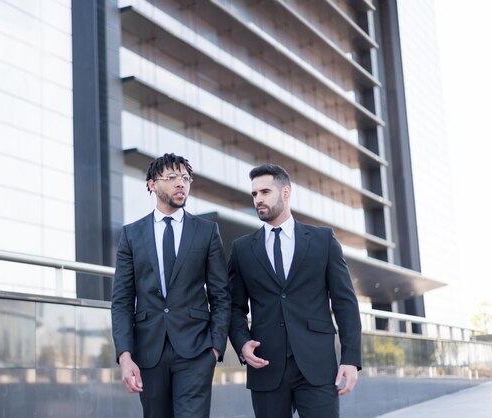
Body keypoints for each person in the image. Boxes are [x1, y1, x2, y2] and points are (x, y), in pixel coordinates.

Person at [228, 164, 362, 418]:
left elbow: (345, 302)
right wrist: (242, 343)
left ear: (286, 192)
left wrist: (350, 358)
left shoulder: (323, 240)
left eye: (265, 192)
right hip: (265, 365)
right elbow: (234, 307)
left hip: (318, 365)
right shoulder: (242, 249)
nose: (258, 199)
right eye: (254, 194)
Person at [111, 153, 230, 418]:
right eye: (173, 177)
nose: (181, 184)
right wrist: (125, 355)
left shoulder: (206, 231)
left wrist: (215, 347)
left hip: (197, 350)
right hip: (148, 351)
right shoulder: (131, 234)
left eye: (186, 178)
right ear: (152, 184)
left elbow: (220, 294)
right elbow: (121, 299)